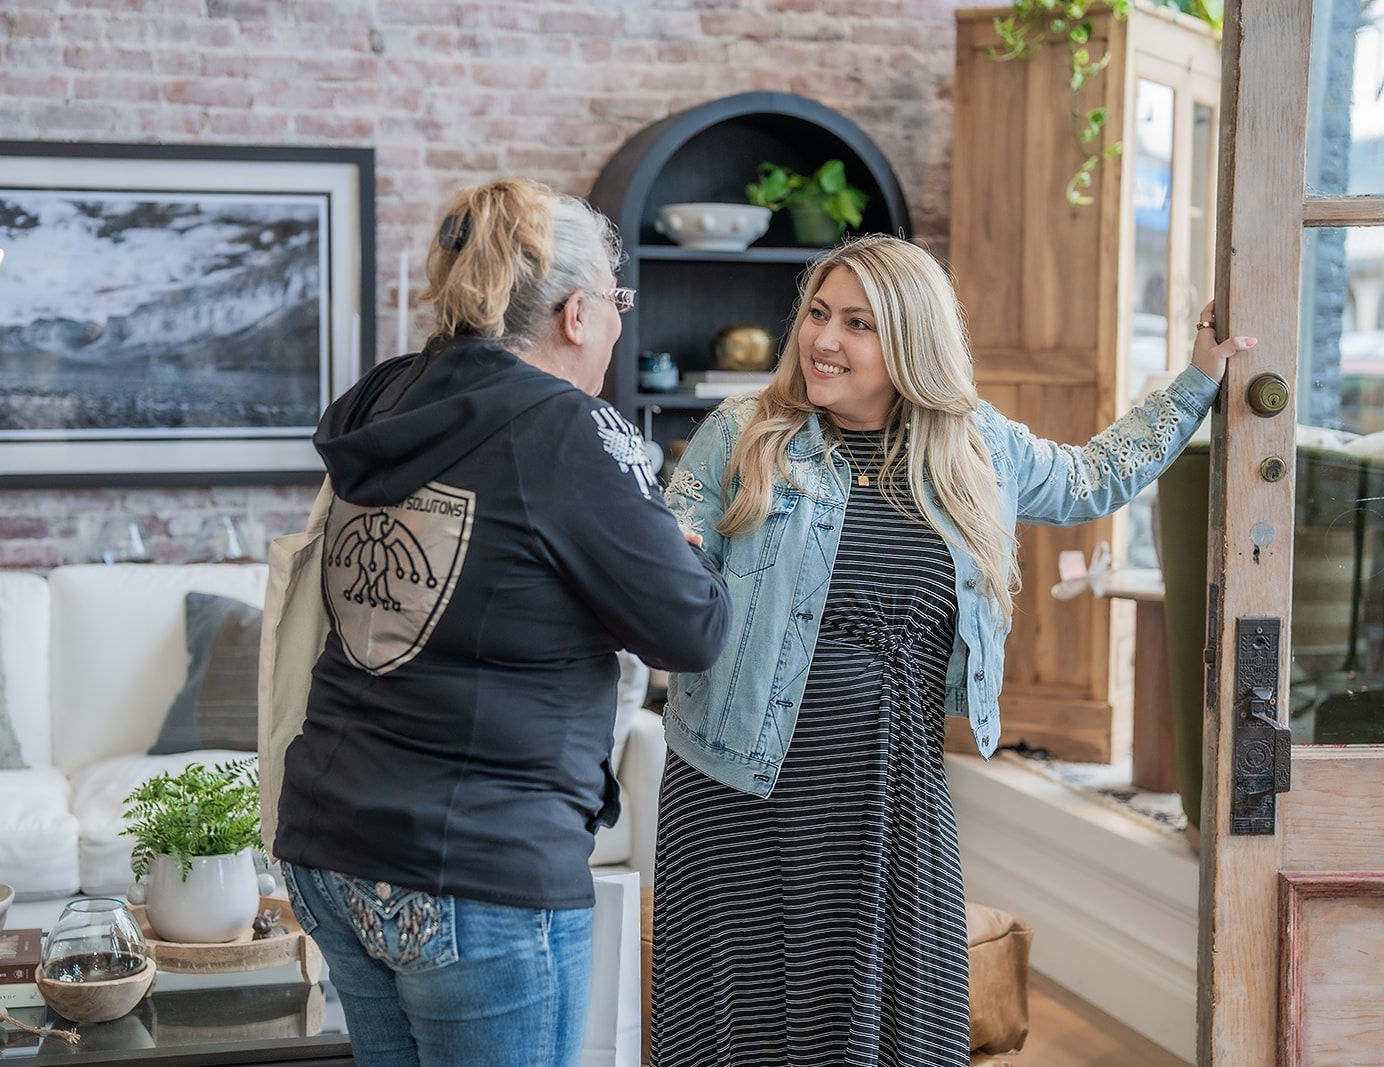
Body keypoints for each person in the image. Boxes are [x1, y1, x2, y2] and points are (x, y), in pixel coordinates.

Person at [653, 234, 1254, 1066]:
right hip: (739, 788)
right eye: (818, 315)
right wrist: (657, 552)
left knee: (895, 1029)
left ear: (910, 340)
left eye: (858, 323)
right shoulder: (745, 434)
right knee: (746, 1027)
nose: (825, 340)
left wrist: (1198, 380)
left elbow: (1093, 477)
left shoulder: (977, 448)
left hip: (890, 791)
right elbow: (672, 573)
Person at [276, 177, 731, 1067]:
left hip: (332, 844)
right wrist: (675, 547)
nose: (616, 325)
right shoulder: (567, 431)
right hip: (477, 871)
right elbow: (692, 631)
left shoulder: (388, 399)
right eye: (616, 304)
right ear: (574, 313)